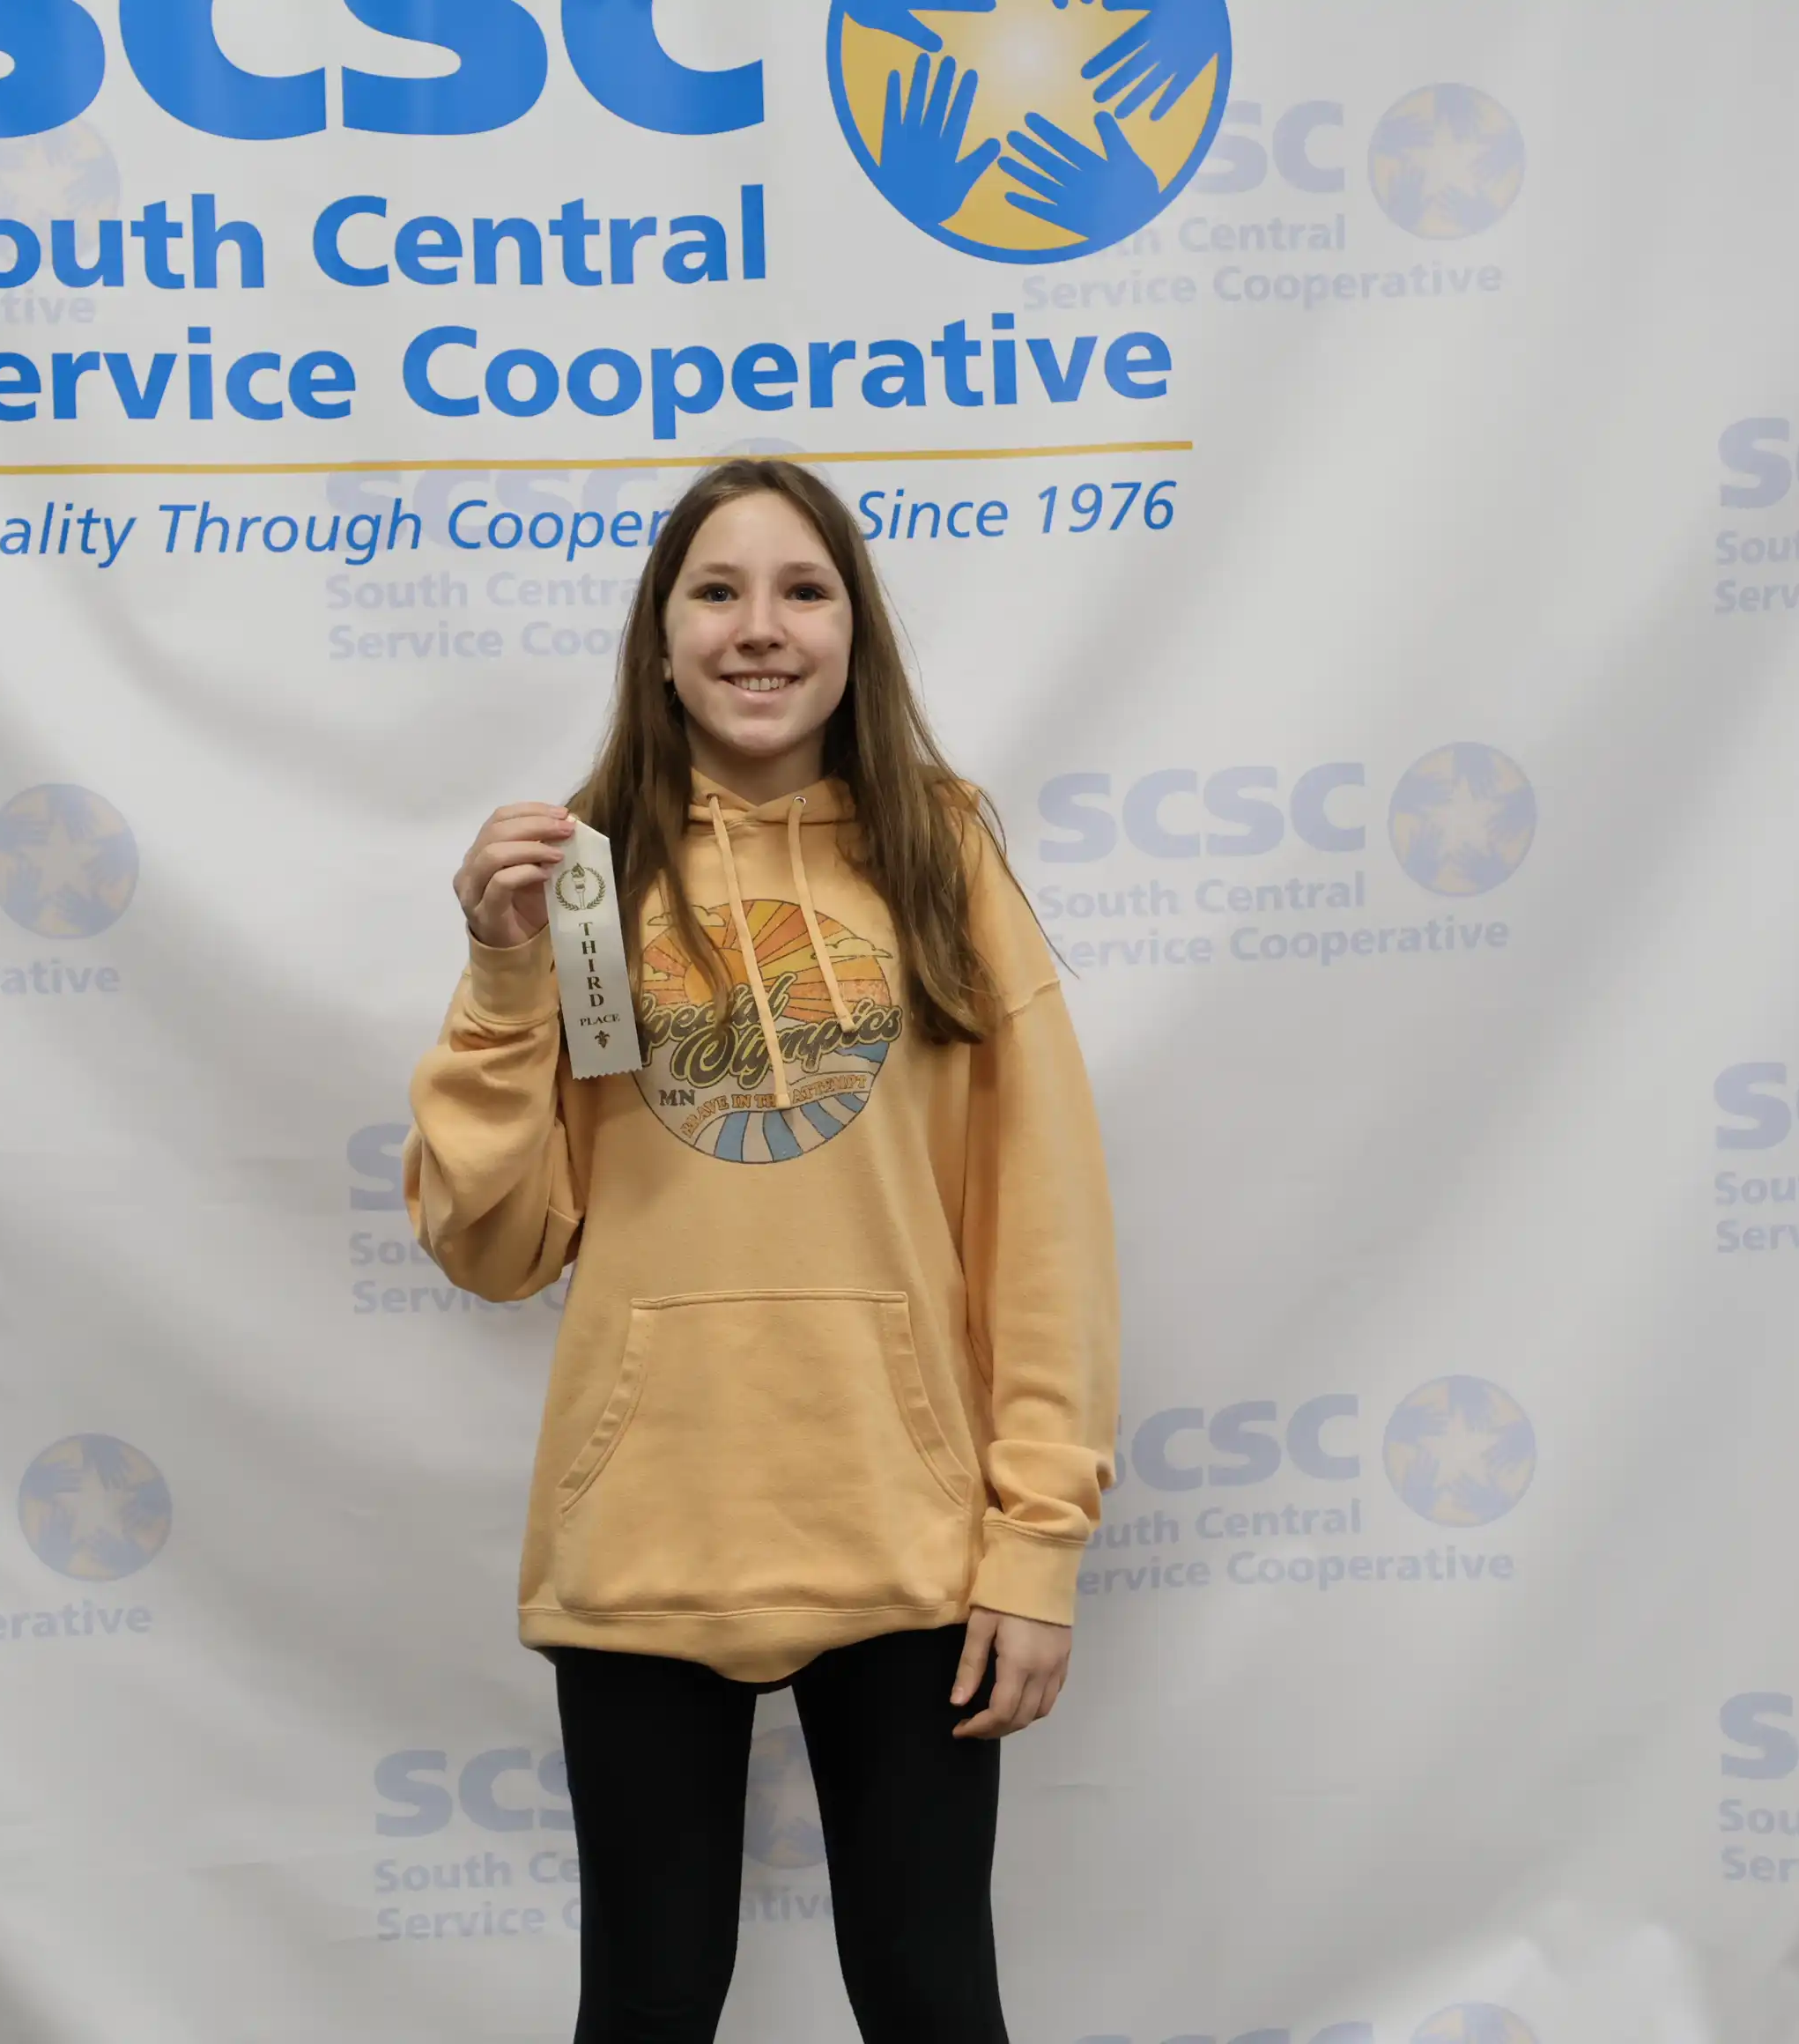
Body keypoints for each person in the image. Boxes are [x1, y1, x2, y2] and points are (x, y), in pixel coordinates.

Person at [403, 458, 1121, 2044]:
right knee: (648, 2007)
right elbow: (495, 1247)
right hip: (649, 1528)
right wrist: (502, 974)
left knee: (934, 2003)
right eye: (715, 593)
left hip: (909, 1535)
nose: (759, 629)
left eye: (804, 591)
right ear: (659, 640)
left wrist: (1037, 1544)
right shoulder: (579, 878)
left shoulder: (943, 857)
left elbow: (1044, 1228)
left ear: (856, 631)